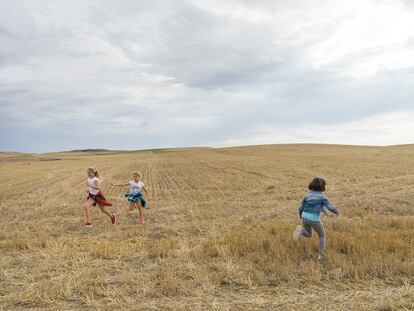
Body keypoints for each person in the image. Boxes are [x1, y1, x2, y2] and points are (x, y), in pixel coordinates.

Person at [292, 177, 339, 259]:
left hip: (304, 216)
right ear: (322, 187)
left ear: (312, 185)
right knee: (322, 235)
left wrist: (300, 216)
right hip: (314, 218)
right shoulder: (323, 197)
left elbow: (300, 208)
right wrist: (336, 211)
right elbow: (329, 206)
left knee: (308, 234)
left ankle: (300, 231)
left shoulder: (307, 196)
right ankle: (321, 255)